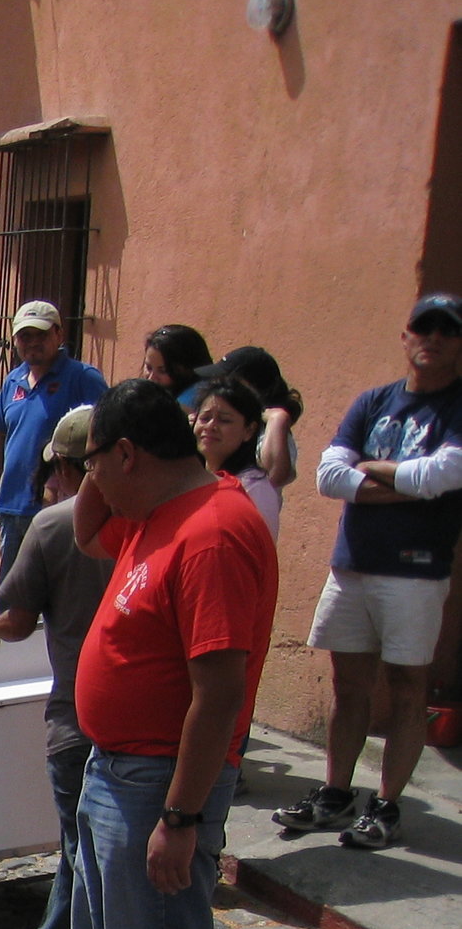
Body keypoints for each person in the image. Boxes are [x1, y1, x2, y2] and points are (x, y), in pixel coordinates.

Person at [18, 380, 277, 929]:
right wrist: (99, 463)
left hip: (160, 778)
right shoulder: (152, 510)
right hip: (112, 764)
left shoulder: (214, 532)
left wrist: (183, 815)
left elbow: (221, 691)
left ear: (129, 454)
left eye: (93, 463)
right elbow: (89, 530)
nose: (81, 482)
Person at [274, 294, 462, 852]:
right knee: (347, 683)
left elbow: (446, 472)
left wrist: (372, 471)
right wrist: (405, 485)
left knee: (407, 688)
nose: (431, 338)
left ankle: (387, 805)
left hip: (416, 573)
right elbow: (329, 475)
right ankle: (336, 793)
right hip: (353, 565)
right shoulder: (374, 401)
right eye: (421, 328)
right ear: (404, 337)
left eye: (446, 330)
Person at [0, 405, 108, 929]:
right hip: (139, 721)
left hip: (79, 713)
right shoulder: (152, 522)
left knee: (81, 840)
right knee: (99, 840)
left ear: (71, 468)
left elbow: (16, 621)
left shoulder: (56, 526)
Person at [0, 301, 109, 577]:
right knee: (12, 595)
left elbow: (105, 434)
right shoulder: (13, 380)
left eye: (41, 335)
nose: (32, 343)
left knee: (55, 592)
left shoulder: (82, 378)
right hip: (12, 507)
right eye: (24, 336)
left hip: (59, 507)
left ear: (58, 334)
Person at [192, 379, 282, 534]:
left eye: (224, 420)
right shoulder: (192, 481)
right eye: (205, 418)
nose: (210, 426)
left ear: (249, 431)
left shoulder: (253, 489)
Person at [142, 324, 215, 409]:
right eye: (148, 367)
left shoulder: (186, 404)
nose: (151, 378)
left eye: (163, 371)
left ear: (187, 369)